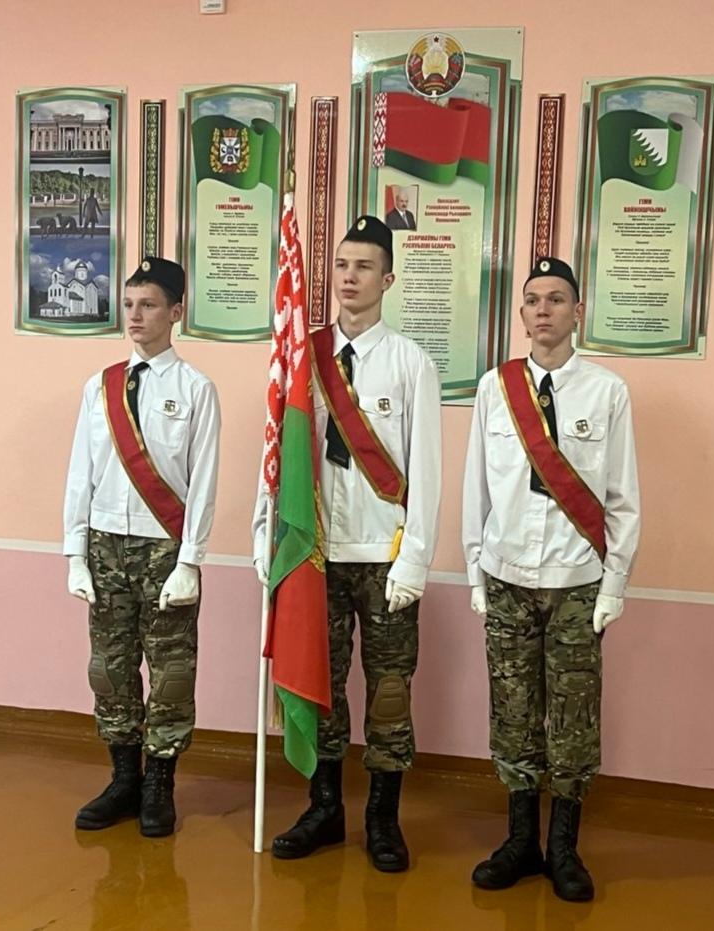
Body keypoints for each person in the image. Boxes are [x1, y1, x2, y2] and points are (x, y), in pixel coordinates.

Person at [253, 216, 442, 872]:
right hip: (315, 554)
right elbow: (276, 454)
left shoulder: (411, 362)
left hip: (384, 557)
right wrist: (264, 533)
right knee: (320, 684)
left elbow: (427, 471)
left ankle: (382, 819)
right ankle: (325, 807)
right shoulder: (302, 356)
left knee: (388, 693)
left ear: (387, 279)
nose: (349, 277)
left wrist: (416, 558)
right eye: (341, 264)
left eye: (364, 266)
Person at [462, 257, 640, 902]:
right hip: (506, 575)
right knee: (512, 711)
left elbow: (622, 499)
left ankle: (564, 847)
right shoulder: (495, 387)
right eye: (533, 300)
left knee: (572, 717)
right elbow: (477, 486)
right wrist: (475, 570)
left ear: (577, 311)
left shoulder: (607, 391)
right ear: (522, 314)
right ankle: (520, 842)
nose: (543, 310)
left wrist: (614, 584)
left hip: (576, 582)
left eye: (556, 299)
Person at [63, 256, 221, 837]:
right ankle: (124, 779)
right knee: (110, 669)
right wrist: (74, 552)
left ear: (176, 312)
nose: (135, 315)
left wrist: (191, 560)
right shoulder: (99, 386)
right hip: (105, 546)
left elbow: (203, 482)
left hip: (164, 551)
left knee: (171, 671)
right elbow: (81, 472)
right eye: (129, 304)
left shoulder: (196, 389)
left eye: (149, 304)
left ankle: (160, 785)